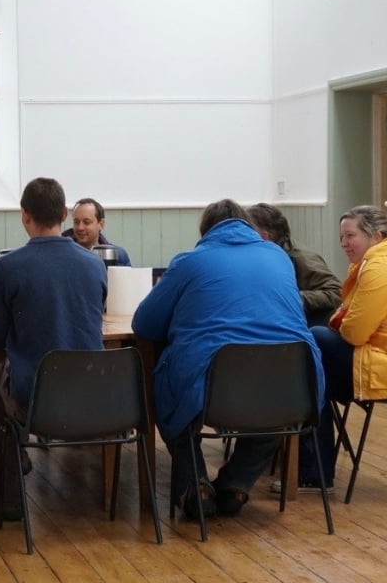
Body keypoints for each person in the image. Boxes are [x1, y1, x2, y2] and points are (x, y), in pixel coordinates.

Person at [132, 199, 323, 520]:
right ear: (249, 227)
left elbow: (144, 324)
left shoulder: (190, 262)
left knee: (167, 381)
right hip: (294, 386)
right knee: (275, 407)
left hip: (213, 389)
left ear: (206, 232)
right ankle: (236, 483)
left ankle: (195, 487)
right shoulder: (279, 257)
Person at [279, 205, 387, 494]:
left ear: (376, 236)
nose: (343, 243)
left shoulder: (382, 268)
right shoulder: (376, 264)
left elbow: (353, 332)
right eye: (342, 236)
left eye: (350, 236)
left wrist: (340, 324)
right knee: (312, 375)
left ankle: (311, 470)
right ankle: (311, 470)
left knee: (312, 347)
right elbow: (346, 320)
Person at [0, 178, 107, 519]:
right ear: (64, 214)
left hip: (35, 395)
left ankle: (4, 499)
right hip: (96, 392)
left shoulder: (7, 266)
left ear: (24, 215)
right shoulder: (95, 265)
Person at [247, 203, 342, 326]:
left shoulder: (302, 259)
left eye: (248, 231)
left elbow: (336, 292)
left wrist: (293, 297)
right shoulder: (265, 254)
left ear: (265, 236)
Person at [61, 197, 132, 265]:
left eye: (86, 222)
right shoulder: (63, 252)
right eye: (76, 222)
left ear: (101, 224)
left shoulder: (118, 255)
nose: (80, 228)